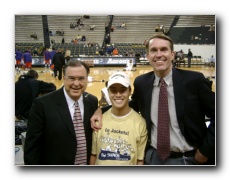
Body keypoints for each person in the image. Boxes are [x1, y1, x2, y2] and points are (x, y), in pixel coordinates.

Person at [90, 34, 215, 165]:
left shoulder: (194, 81)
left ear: (172, 55)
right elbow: (132, 105)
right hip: (153, 158)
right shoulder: (142, 82)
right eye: (154, 50)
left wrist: (206, 150)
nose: (159, 54)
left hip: (188, 158)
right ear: (148, 56)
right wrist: (101, 110)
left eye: (164, 49)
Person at [24, 60, 98, 165]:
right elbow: (32, 148)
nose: (76, 84)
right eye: (71, 78)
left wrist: (99, 110)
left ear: (87, 79)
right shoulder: (42, 104)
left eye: (81, 78)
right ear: (64, 78)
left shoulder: (92, 101)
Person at [90, 72, 147, 165]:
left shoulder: (140, 123)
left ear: (129, 91)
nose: (118, 94)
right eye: (113, 90)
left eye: (123, 90)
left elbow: (139, 161)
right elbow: (94, 155)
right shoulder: (99, 120)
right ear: (108, 92)